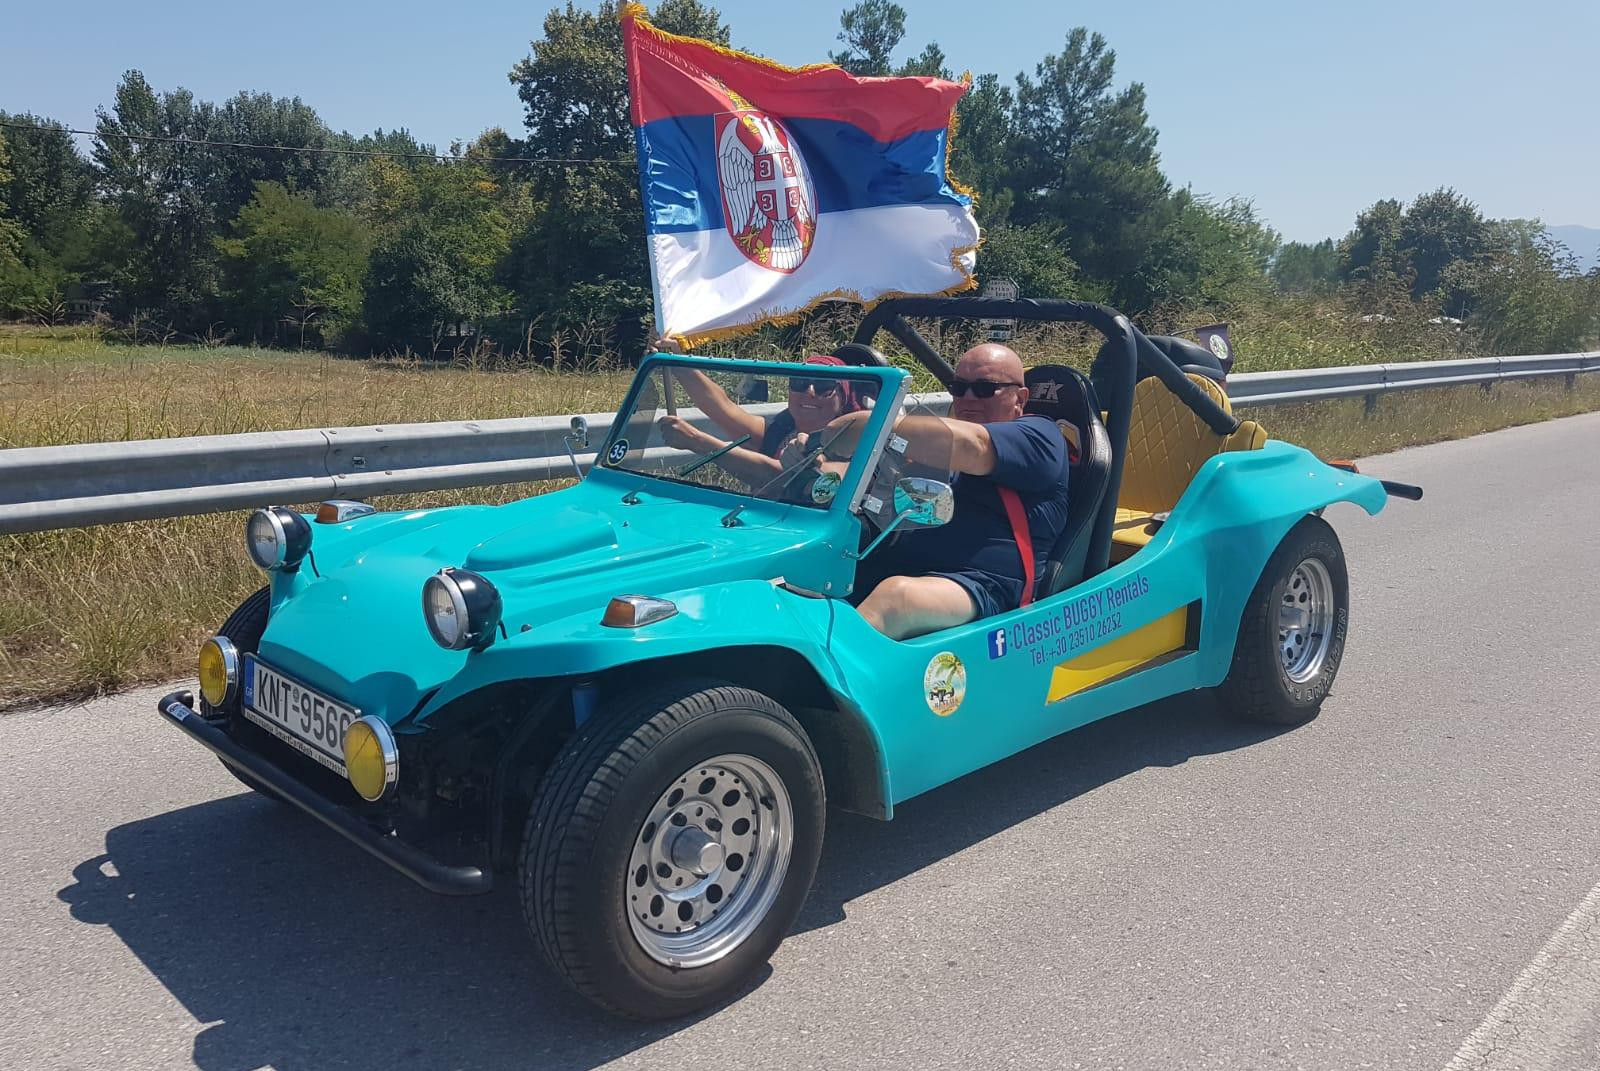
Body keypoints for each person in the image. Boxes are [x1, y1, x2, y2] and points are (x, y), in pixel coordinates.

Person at [837, 343, 1071, 640]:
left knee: (897, 600)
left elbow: (972, 445)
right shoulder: (935, 443)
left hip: (986, 585)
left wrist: (869, 429)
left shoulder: (1040, 436)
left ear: (1020, 398)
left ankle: (816, 671)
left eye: (985, 389)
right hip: (908, 564)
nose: (968, 398)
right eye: (959, 388)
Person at [656, 355, 861, 487]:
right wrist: (676, 361)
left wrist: (698, 442)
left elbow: (779, 480)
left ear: (843, 397)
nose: (810, 392)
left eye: (824, 386)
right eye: (799, 382)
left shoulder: (850, 446)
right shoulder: (778, 432)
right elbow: (722, 408)